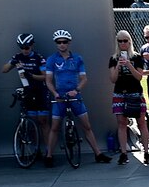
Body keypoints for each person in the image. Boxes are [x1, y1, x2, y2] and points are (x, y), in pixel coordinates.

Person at [43, 30, 110, 166]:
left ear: (69, 43)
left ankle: (98, 153)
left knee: (87, 126)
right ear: (56, 44)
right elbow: (48, 80)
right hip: (59, 97)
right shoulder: (51, 59)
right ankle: (49, 156)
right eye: (59, 42)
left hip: (75, 96)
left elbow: (84, 78)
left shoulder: (78, 58)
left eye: (64, 42)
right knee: (54, 127)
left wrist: (77, 90)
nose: (62, 44)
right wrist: (55, 93)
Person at [108, 30, 149, 165]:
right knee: (121, 123)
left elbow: (139, 76)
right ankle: (123, 153)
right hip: (120, 93)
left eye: (125, 41)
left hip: (135, 93)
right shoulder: (113, 58)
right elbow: (113, 79)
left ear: (129, 42)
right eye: (120, 41)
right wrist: (118, 67)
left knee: (141, 123)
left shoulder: (137, 57)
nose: (123, 43)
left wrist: (129, 65)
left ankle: (146, 152)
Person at [2, 33, 53, 151]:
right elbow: (3, 70)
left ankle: (49, 152)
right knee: (32, 123)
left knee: (43, 121)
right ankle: (36, 150)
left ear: (32, 46)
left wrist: (30, 75)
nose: (24, 50)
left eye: (27, 48)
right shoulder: (18, 57)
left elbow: (45, 77)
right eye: (21, 48)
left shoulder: (39, 58)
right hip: (28, 92)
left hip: (40, 91)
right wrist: (12, 63)